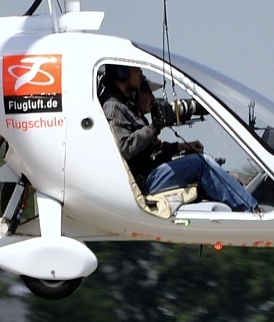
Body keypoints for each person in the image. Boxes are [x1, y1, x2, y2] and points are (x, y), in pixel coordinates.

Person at [100, 65, 259, 213]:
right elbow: (126, 148)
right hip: (147, 179)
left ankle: (241, 194)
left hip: (153, 171)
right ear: (122, 73)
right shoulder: (113, 106)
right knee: (201, 163)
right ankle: (249, 209)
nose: (140, 76)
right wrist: (154, 127)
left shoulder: (125, 105)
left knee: (205, 161)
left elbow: (149, 150)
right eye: (137, 71)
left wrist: (181, 147)